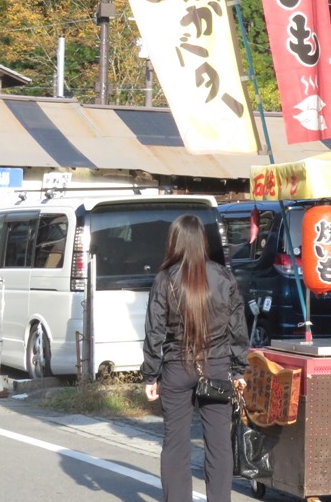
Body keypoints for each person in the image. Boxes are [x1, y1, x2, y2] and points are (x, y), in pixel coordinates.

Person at [141, 214, 250, 502]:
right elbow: (238, 328)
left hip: (177, 367)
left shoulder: (165, 279)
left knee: (175, 443)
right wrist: (239, 369)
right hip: (217, 367)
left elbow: (154, 331)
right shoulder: (224, 277)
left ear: (174, 242)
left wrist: (150, 374)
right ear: (202, 241)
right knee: (218, 444)